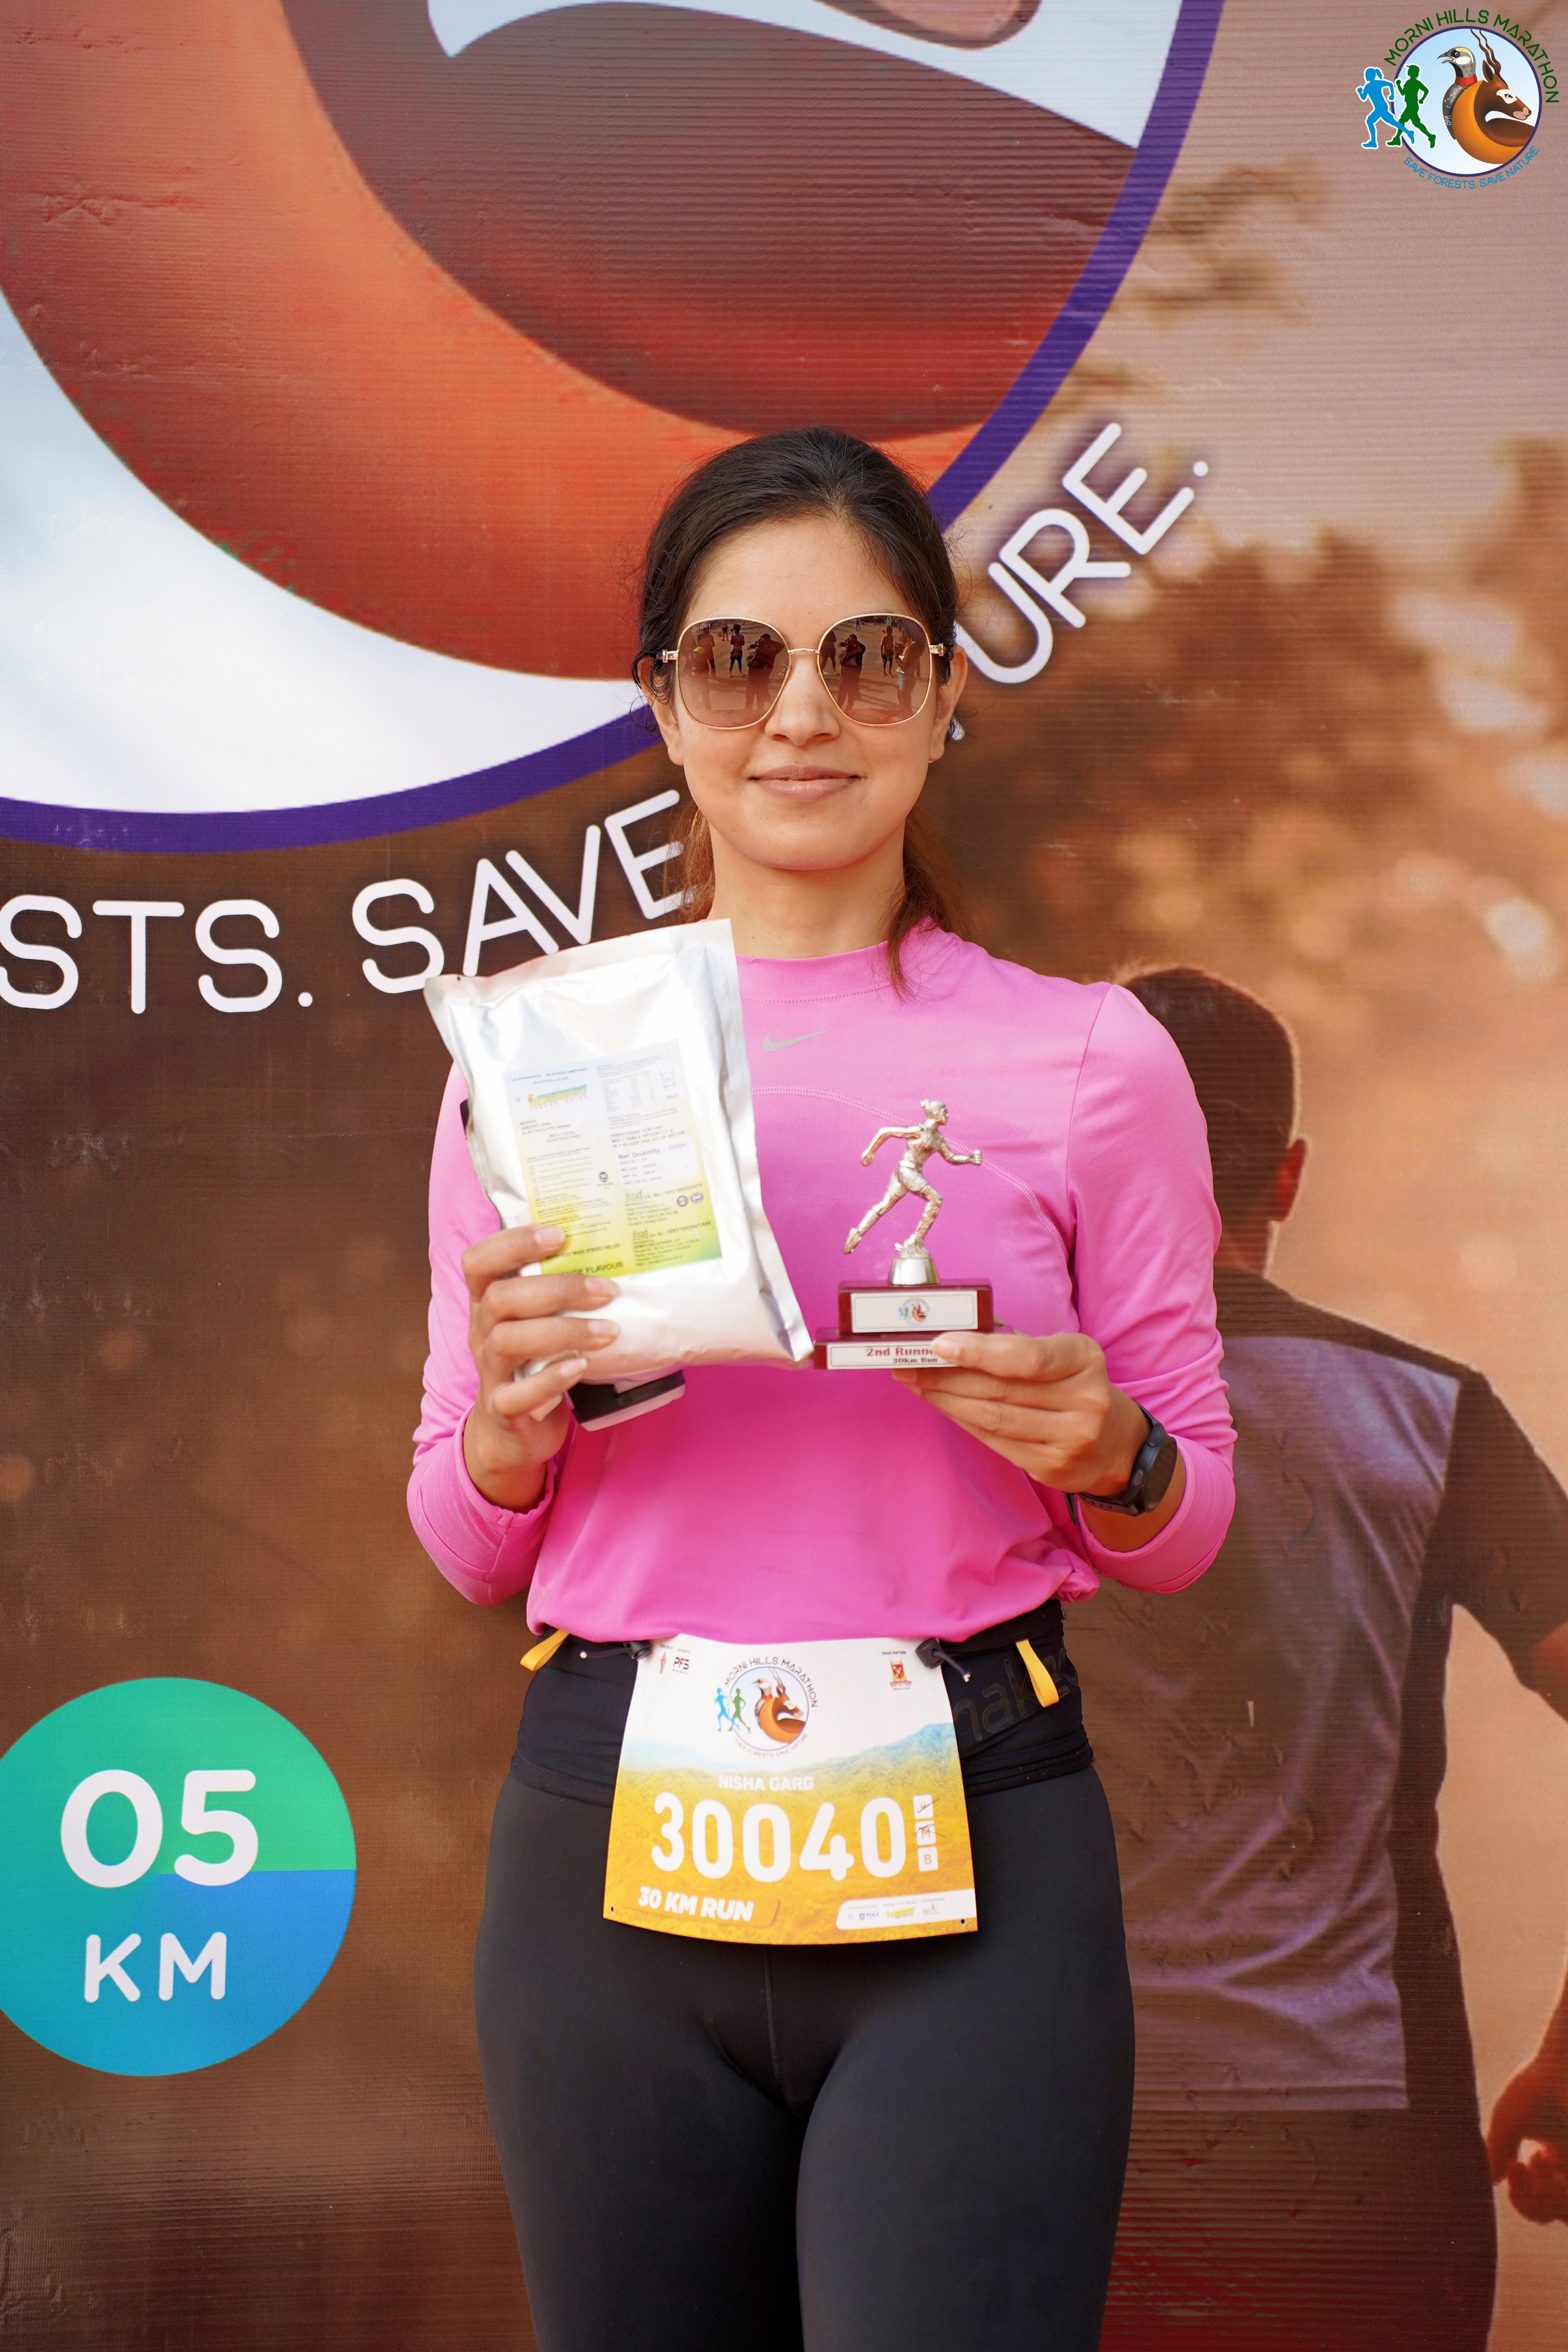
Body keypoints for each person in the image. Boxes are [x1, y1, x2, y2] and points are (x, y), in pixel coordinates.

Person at [408, 429, 1235, 2352]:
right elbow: (462, 1543)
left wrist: (1112, 1453)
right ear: (663, 706)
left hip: (978, 1847)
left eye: (864, 658)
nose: (800, 712)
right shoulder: (536, 1061)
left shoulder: (1092, 1062)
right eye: (737, 660)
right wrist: (507, 1442)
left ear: (943, 694)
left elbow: (1188, 1525)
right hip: (610, 1852)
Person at [1070, 967, 1568, 2352]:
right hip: (1362, 2164)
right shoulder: (1434, 1418)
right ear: (1285, 1176)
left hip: (1037, 2129)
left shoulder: (978, 1420)